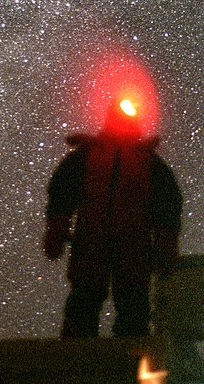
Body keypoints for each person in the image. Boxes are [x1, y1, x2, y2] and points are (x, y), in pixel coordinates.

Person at [43, 98, 183, 338]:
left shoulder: (144, 162)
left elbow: (167, 206)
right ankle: (79, 367)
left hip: (128, 248)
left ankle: (127, 367)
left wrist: (166, 243)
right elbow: (62, 193)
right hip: (95, 245)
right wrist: (57, 225)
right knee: (83, 308)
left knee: (132, 310)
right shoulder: (90, 157)